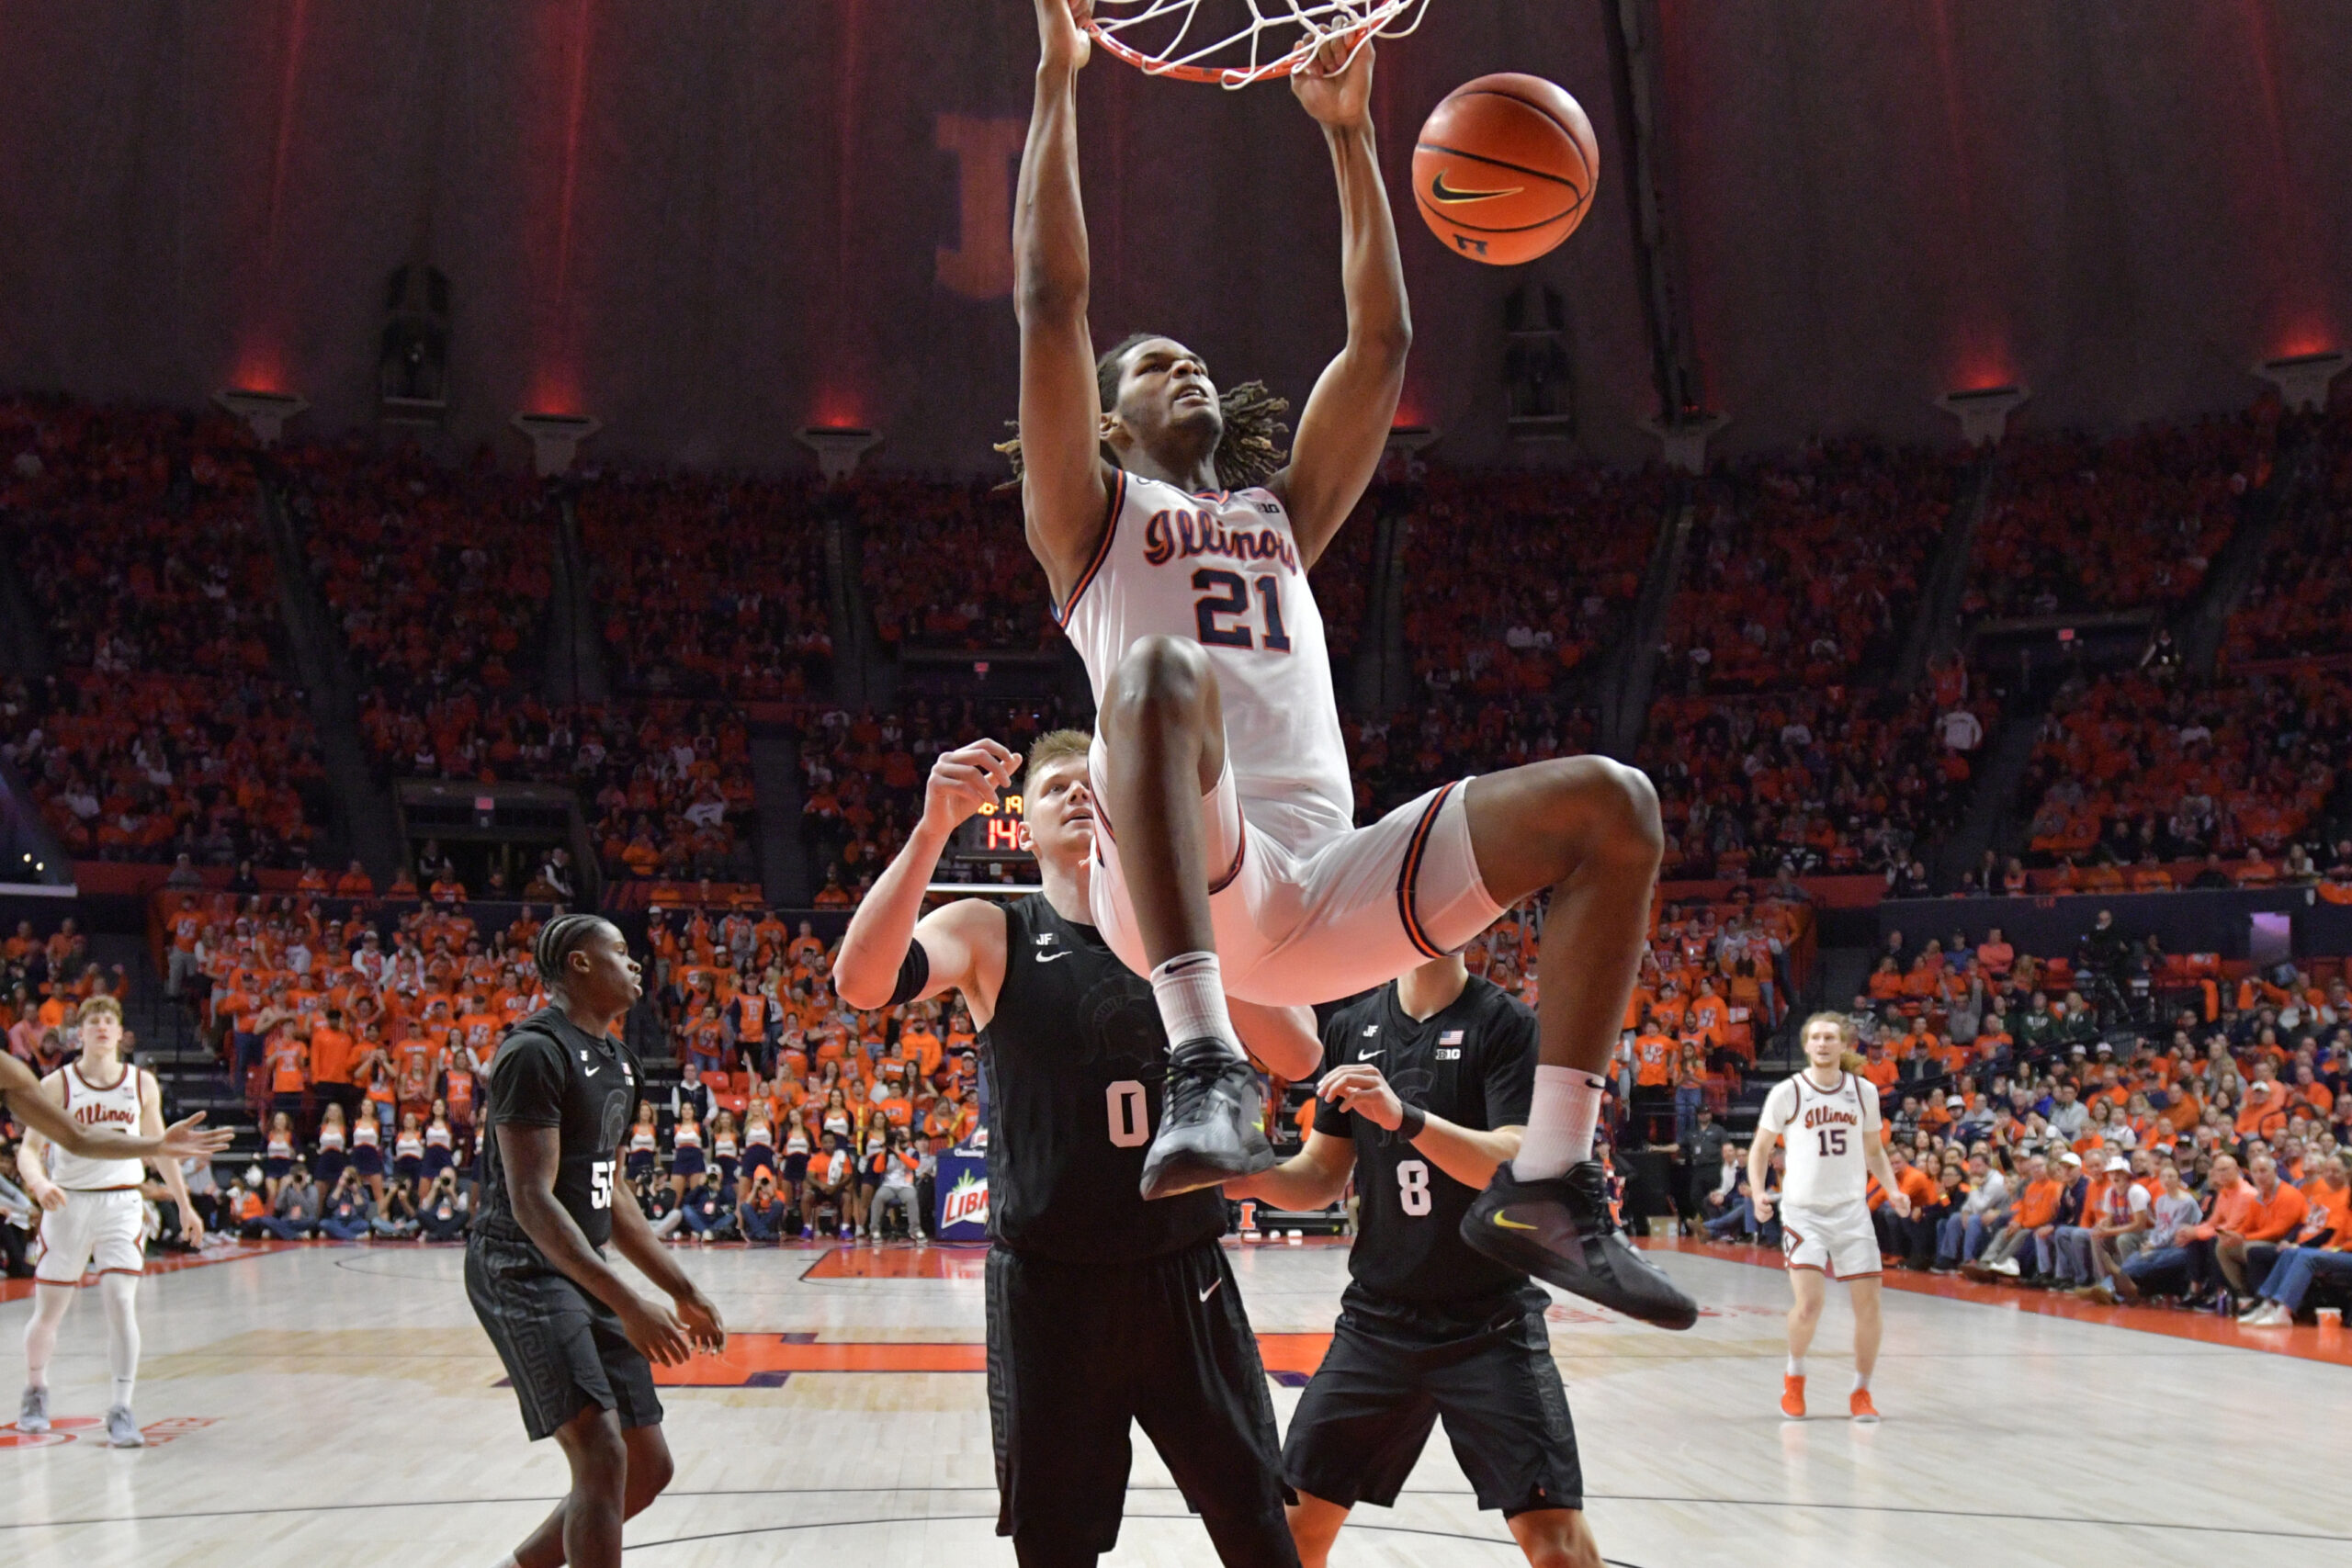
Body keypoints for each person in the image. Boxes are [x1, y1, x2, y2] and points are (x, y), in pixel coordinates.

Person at [1006, 0, 1686, 1327]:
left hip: (1325, 885)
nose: (1184, 366)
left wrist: (1352, 136)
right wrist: (1056, 77)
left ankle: (1552, 1175)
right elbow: (1051, 296)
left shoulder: (1275, 518)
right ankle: (1205, 1056)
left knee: (1614, 804)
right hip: (1186, 896)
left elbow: (1381, 349)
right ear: (1101, 415)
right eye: (1152, 365)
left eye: (1193, 357)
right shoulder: (1084, 519)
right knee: (1153, 679)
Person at [835, 730, 1301, 1567]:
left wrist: (1212, 928)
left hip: (1182, 1268)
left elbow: (1299, 1050)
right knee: (1058, 1547)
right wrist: (934, 828)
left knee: (1256, 1521)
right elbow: (861, 983)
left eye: (1098, 783)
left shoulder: (1187, 934)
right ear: (1026, 822)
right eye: (1056, 786)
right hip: (1052, 1286)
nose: (1081, 794)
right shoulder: (993, 930)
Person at [1227, 948, 1599, 1568]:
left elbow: (1510, 1158)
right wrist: (1247, 1179)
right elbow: (1322, 1173)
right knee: (1291, 1529)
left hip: (1490, 1319)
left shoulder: (1505, 1023)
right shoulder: (1350, 1027)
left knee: (1556, 1542)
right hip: (1379, 1322)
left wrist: (1406, 1117)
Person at [466, 914, 726, 1568]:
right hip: (519, 1266)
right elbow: (531, 1199)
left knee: (648, 1464)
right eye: (620, 951)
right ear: (579, 963)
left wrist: (681, 1288)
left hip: (580, 1266)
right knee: (601, 1451)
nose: (635, 964)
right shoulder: (533, 1052)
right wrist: (631, 1303)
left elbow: (611, 1188)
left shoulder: (617, 1059)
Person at [15, 995, 219, 1448]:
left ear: (121, 1033)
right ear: (79, 1033)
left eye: (109, 1020)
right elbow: (29, 1150)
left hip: (122, 1203)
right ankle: (36, 1389)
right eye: (93, 1021)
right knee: (49, 1311)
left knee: (121, 1304)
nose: (102, 1027)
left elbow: (159, 1146)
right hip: (68, 1202)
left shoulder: (142, 1084)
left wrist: (185, 1205)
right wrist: (38, 1183)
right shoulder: (57, 1085)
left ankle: (121, 1407)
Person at [1747, 1013, 1910, 1422]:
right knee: (1810, 1305)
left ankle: (1861, 1392)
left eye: (1830, 1037)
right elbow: (1760, 1148)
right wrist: (1757, 1192)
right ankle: (1795, 1376)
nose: (1822, 1043)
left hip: (1852, 1212)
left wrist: (1892, 1189)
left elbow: (1874, 1151)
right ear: (1806, 1045)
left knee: (1869, 1306)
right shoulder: (1788, 1092)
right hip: (1804, 1212)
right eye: (1816, 1037)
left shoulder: (1864, 1091)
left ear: (1844, 1045)